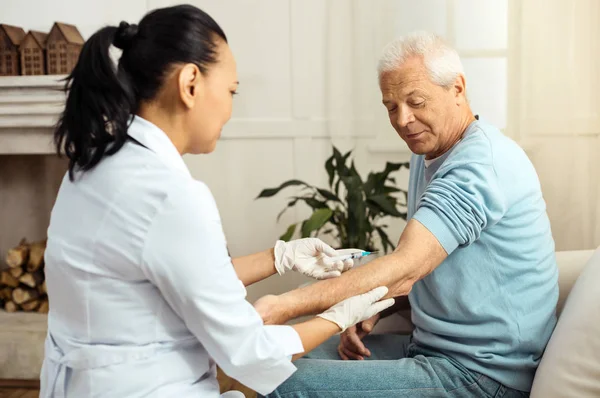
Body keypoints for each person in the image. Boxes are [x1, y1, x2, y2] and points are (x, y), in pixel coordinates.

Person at [39, 5, 395, 397]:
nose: (230, 108)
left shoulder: (91, 167)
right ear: (190, 83)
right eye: (231, 91)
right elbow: (248, 352)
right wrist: (338, 315)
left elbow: (176, 277)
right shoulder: (170, 195)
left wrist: (281, 256)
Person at [261, 31, 558, 397]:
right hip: (430, 350)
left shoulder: (480, 165)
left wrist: (284, 305)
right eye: (391, 107)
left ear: (457, 90)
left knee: (282, 385)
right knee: (269, 365)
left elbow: (407, 265)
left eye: (416, 101)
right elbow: (428, 269)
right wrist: (371, 308)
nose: (403, 120)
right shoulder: (429, 153)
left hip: (480, 375)